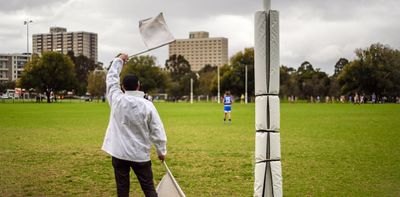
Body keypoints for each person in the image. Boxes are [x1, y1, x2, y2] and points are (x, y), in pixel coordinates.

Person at [102, 54, 167, 197]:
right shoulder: (147, 105)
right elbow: (157, 130)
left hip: (119, 153)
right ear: (138, 86)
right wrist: (161, 151)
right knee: (149, 189)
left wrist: (119, 60)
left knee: (122, 190)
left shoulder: (116, 99)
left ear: (123, 87)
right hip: (140, 155)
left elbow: (111, 79)